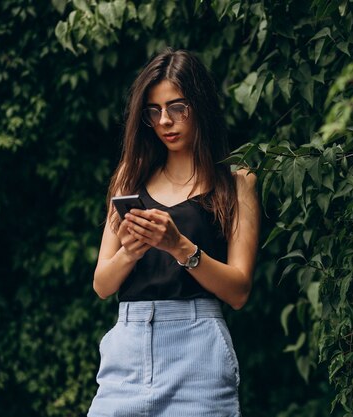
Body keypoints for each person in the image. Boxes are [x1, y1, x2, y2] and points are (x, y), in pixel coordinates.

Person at [87, 49, 260, 417]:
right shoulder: (130, 176)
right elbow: (102, 284)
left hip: (198, 351)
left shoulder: (236, 181)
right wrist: (130, 252)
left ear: (200, 106)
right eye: (154, 111)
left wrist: (180, 247)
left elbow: (239, 290)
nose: (165, 120)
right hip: (128, 347)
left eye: (177, 107)